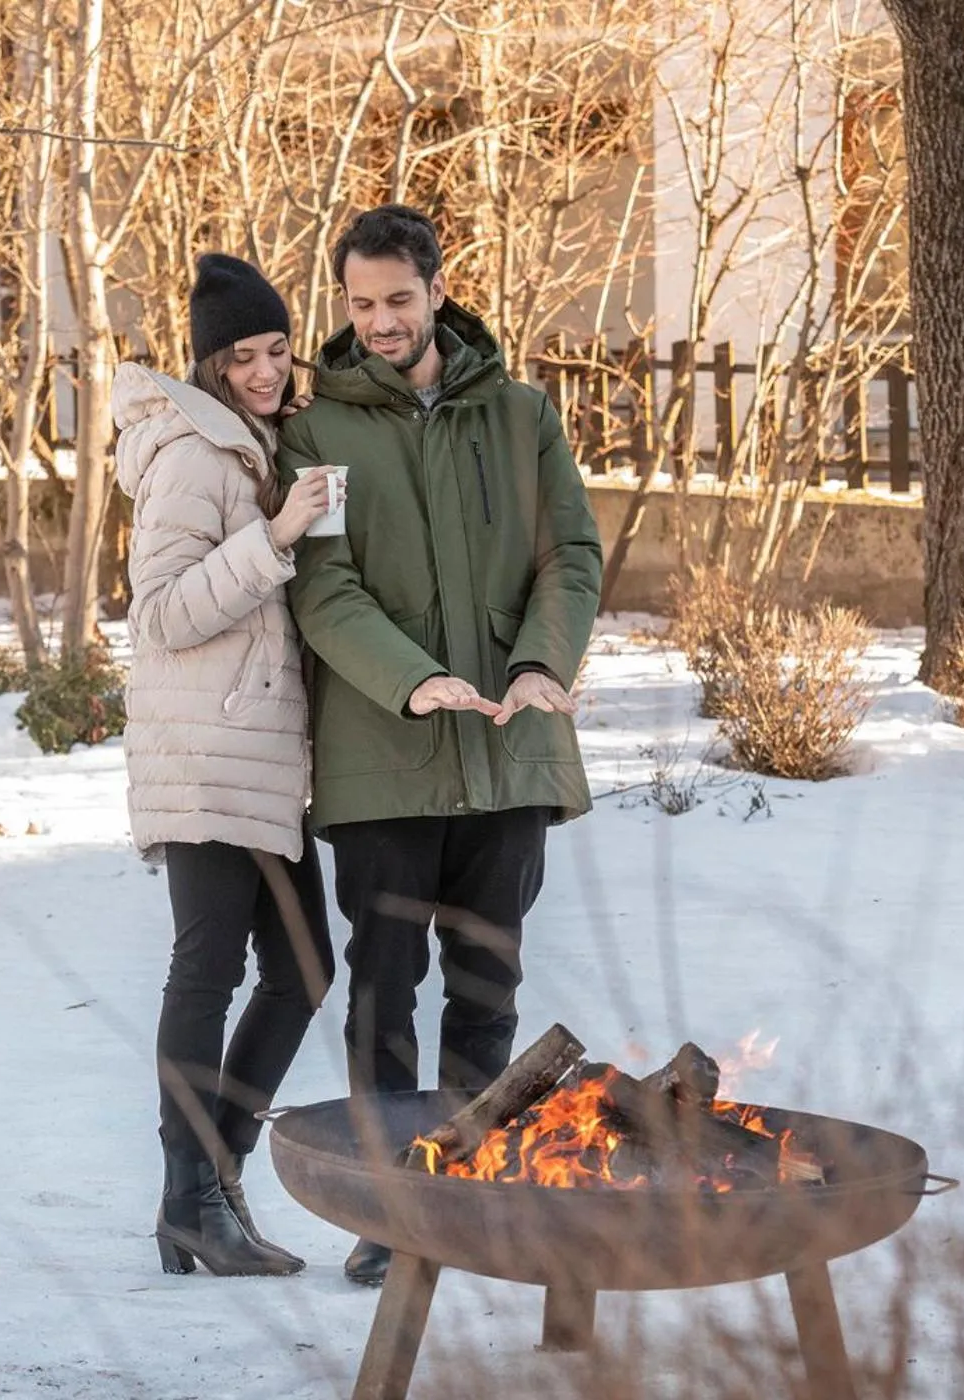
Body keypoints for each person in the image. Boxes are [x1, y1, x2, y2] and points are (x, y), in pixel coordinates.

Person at [278, 205, 603, 1285]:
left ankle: (472, 1190)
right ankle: (394, 1204)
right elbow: (324, 587)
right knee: (384, 985)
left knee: (488, 979)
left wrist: (538, 665)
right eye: (360, 303)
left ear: (436, 292)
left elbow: (569, 553)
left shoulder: (520, 414)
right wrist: (414, 683)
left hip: (510, 746)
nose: (378, 321)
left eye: (397, 301)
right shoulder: (317, 430)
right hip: (384, 758)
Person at [112, 253, 340, 1277]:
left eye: (276, 348)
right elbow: (159, 612)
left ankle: (214, 1179)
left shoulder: (253, 445)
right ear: (207, 363)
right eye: (241, 354)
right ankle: (188, 1198)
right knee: (208, 967)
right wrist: (278, 538)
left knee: (302, 967)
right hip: (205, 749)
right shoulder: (194, 456)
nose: (263, 369)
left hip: (251, 755)